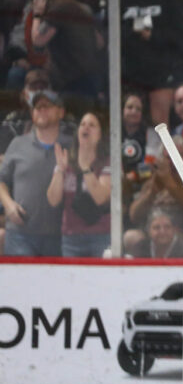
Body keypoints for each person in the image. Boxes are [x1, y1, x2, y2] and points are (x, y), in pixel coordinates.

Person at [0, 88, 70, 256]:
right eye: (37, 107)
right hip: (20, 235)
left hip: (60, 237)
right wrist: (8, 205)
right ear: (32, 114)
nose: (41, 110)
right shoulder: (17, 144)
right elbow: (1, 180)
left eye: (47, 106)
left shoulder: (71, 145)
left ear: (61, 112)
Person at [46, 111, 112, 258]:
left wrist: (85, 168)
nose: (86, 128)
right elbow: (53, 200)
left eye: (92, 125)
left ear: (100, 134)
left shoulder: (108, 162)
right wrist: (60, 171)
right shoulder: (66, 160)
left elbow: (101, 198)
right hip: (71, 237)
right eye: (82, 124)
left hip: (101, 235)